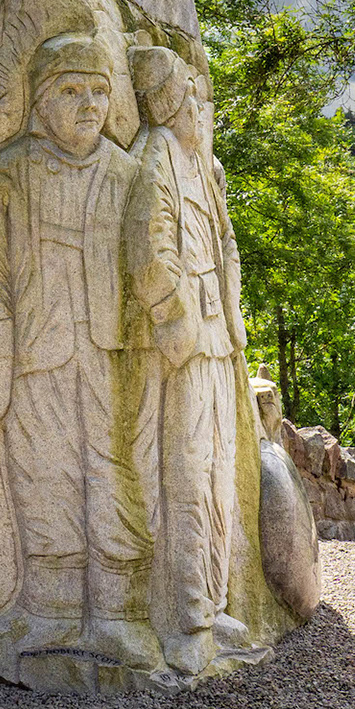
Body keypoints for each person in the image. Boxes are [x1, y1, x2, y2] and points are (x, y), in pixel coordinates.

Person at [0, 34, 160, 670]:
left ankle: (120, 615)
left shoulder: (131, 174)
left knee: (114, 472)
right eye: (71, 91)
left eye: (100, 91)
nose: (89, 104)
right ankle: (48, 612)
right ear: (40, 100)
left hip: (112, 352)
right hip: (32, 356)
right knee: (41, 472)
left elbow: (156, 263)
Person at [126, 45, 248, 675]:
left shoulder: (204, 166)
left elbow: (225, 243)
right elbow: (150, 256)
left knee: (219, 474)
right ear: (172, 103)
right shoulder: (155, 159)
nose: (205, 111)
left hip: (218, 341)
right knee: (185, 479)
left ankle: (215, 601)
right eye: (195, 100)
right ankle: (184, 619)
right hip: (185, 349)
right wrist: (183, 332)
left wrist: (229, 323)